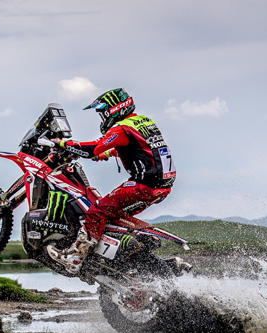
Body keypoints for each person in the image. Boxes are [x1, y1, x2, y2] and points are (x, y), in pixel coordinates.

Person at [46, 88, 176, 274]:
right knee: (113, 217)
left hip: (144, 186)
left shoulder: (122, 128)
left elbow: (93, 148)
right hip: (162, 186)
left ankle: (75, 258)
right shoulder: (142, 122)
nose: (102, 118)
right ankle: (121, 254)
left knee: (97, 210)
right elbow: (141, 148)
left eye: (103, 113)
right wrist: (109, 152)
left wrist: (63, 143)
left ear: (114, 109)